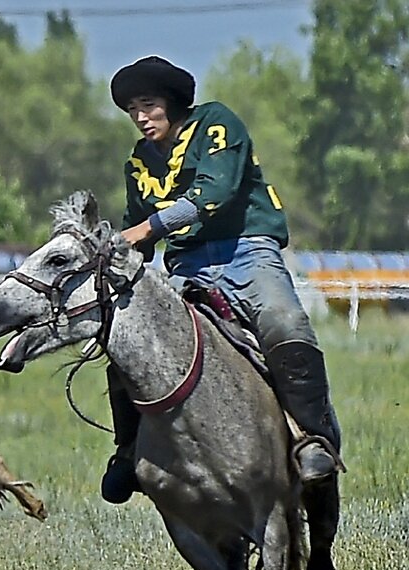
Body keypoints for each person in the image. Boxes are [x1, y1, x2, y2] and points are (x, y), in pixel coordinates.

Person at [101, 55, 343, 503]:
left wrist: (146, 230)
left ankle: (314, 441)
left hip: (247, 250)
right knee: (129, 345)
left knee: (283, 321)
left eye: (148, 104)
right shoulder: (139, 162)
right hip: (187, 263)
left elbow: (213, 193)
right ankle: (129, 450)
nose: (139, 117)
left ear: (171, 102)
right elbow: (136, 230)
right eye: (132, 108)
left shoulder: (215, 123)